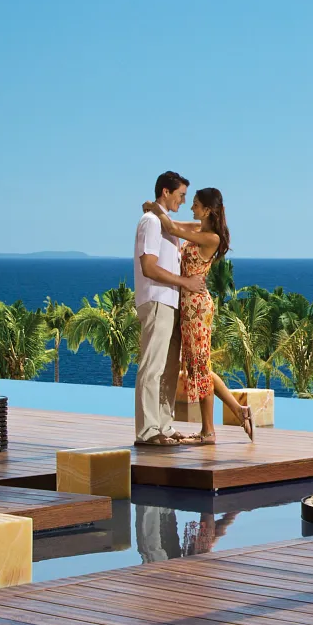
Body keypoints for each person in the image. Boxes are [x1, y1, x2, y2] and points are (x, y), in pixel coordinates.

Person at [144, 186, 256, 445]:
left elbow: (171, 229)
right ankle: (238, 412)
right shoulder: (199, 229)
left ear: (207, 210)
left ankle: (209, 431)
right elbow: (172, 224)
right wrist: (156, 211)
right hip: (188, 304)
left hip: (197, 306)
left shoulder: (212, 238)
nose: (191, 207)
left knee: (200, 367)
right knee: (199, 366)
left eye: (195, 203)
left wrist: (153, 207)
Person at [133, 171, 202, 446]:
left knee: (169, 369)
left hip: (171, 302)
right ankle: (147, 431)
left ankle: (163, 425)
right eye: (181, 195)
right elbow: (148, 267)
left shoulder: (163, 222)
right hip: (157, 300)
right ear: (166, 191)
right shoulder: (151, 223)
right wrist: (186, 282)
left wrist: (156, 208)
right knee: (152, 367)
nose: (183, 201)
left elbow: (196, 226)